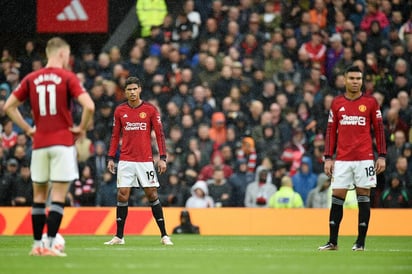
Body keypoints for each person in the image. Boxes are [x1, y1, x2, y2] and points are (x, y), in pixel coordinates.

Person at [2, 37, 95, 256]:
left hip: (39, 144)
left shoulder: (31, 78)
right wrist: (80, 127)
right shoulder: (67, 77)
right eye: (68, 55)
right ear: (62, 54)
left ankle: (36, 246)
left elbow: (8, 106)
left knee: (38, 198)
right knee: (59, 197)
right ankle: (51, 244)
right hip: (62, 142)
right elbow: (89, 105)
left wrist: (28, 129)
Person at [319, 65, 386, 251]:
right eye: (352, 78)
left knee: (363, 196)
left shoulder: (371, 102)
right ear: (345, 80)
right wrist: (328, 157)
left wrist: (381, 155)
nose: (355, 82)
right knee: (337, 196)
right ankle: (333, 241)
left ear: (362, 81)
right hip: (342, 159)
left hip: (365, 159)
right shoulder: (337, 103)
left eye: (358, 79)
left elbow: (379, 129)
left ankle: (360, 242)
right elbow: (331, 131)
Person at [104, 76, 173, 246]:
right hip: (126, 159)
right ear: (125, 92)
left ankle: (164, 235)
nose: (132, 92)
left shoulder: (150, 109)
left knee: (151, 194)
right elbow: (115, 136)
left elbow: (159, 134)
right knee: (122, 194)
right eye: (129, 90)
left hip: (145, 160)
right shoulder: (120, 111)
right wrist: (111, 157)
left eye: (135, 89)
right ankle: (119, 236)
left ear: (140, 89)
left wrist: (162, 157)